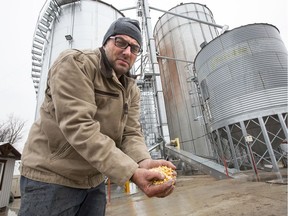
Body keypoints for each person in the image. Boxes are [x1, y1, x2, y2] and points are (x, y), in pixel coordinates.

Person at [19, 17, 176, 216]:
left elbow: (131, 132)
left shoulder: (131, 89)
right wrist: (131, 172)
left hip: (93, 181)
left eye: (134, 48)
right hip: (51, 178)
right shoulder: (76, 64)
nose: (127, 52)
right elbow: (79, 127)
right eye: (120, 42)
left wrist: (142, 161)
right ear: (106, 42)